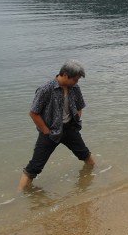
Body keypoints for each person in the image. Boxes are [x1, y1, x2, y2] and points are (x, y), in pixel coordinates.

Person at [18, 60, 96, 190]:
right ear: (65, 75)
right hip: (50, 132)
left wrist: (76, 120)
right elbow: (33, 113)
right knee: (35, 167)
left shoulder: (75, 88)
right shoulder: (46, 89)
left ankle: (90, 182)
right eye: (75, 79)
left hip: (70, 129)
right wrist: (45, 131)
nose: (76, 82)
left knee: (86, 155)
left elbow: (79, 106)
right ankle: (19, 196)